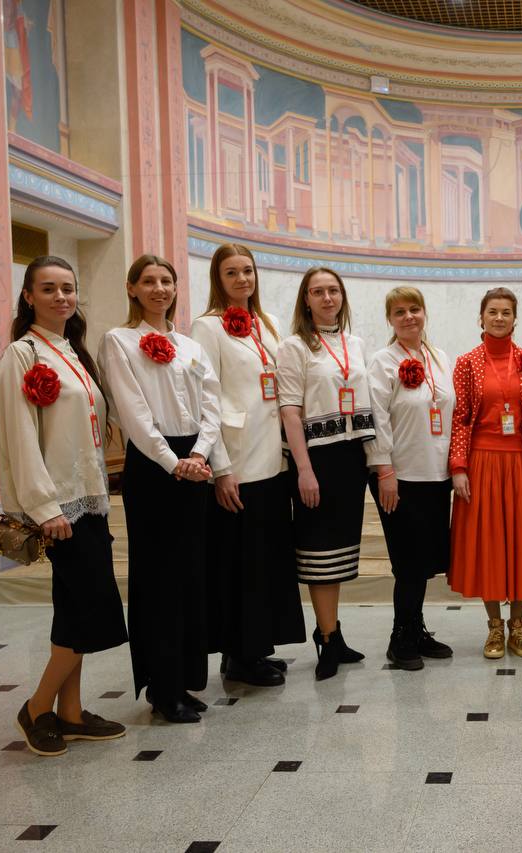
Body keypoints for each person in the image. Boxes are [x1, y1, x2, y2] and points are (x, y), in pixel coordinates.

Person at [0, 256, 127, 756]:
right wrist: (44, 506)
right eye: (49, 288)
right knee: (90, 609)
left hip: (88, 499)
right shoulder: (22, 354)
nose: (60, 297)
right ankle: (36, 708)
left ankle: (70, 713)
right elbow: (19, 436)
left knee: (74, 610)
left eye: (68, 289)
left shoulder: (73, 351)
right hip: (58, 507)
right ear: (28, 296)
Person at [98, 254, 219, 722]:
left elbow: (212, 403)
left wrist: (200, 454)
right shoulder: (119, 340)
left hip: (194, 462)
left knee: (191, 575)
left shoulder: (189, 346)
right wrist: (173, 464)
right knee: (159, 579)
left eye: (166, 280)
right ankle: (162, 687)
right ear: (132, 288)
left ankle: (184, 679)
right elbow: (132, 413)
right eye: (148, 281)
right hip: (153, 466)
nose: (159, 288)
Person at [191, 244, 305, 687]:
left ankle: (257, 647)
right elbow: (207, 400)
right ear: (218, 279)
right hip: (237, 460)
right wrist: (220, 468)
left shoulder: (268, 322)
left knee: (266, 560)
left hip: (272, 457)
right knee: (239, 562)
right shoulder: (207, 327)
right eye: (232, 272)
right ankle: (239, 653)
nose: (242, 279)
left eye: (248, 271)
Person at [449, 287, 522, 659]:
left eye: (506, 312)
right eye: (493, 312)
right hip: (482, 463)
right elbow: (461, 418)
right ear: (481, 318)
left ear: (515, 318)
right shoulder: (467, 362)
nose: (499, 318)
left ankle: (518, 627)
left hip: (521, 464)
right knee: (489, 545)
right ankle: (495, 628)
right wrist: (459, 467)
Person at [277, 267, 374, 680]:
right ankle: (327, 640)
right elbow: (289, 411)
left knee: (339, 554)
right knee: (320, 554)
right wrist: (304, 470)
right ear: (306, 299)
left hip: (350, 458)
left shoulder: (355, 343)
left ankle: (333, 630)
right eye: (318, 292)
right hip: (317, 459)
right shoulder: (294, 346)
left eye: (333, 290)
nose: (327, 298)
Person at [366, 286, 456, 670]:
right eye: (399, 312)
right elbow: (376, 418)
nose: (408, 317)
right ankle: (400, 638)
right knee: (407, 562)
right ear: (390, 319)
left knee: (424, 561)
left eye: (414, 309)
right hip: (399, 476)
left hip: (436, 474)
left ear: (424, 313)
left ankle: (416, 630)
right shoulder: (383, 361)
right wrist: (384, 470)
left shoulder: (439, 357)